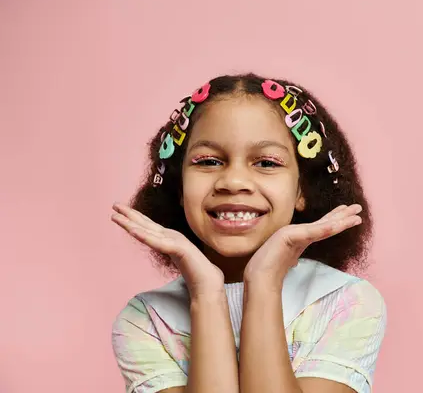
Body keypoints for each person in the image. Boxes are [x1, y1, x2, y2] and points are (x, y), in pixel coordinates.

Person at [110, 73, 387, 393]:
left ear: (302, 190)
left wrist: (265, 282)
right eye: (209, 161)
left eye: (267, 163)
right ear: (179, 188)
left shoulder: (345, 302)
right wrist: (206, 295)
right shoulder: (146, 321)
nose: (233, 181)